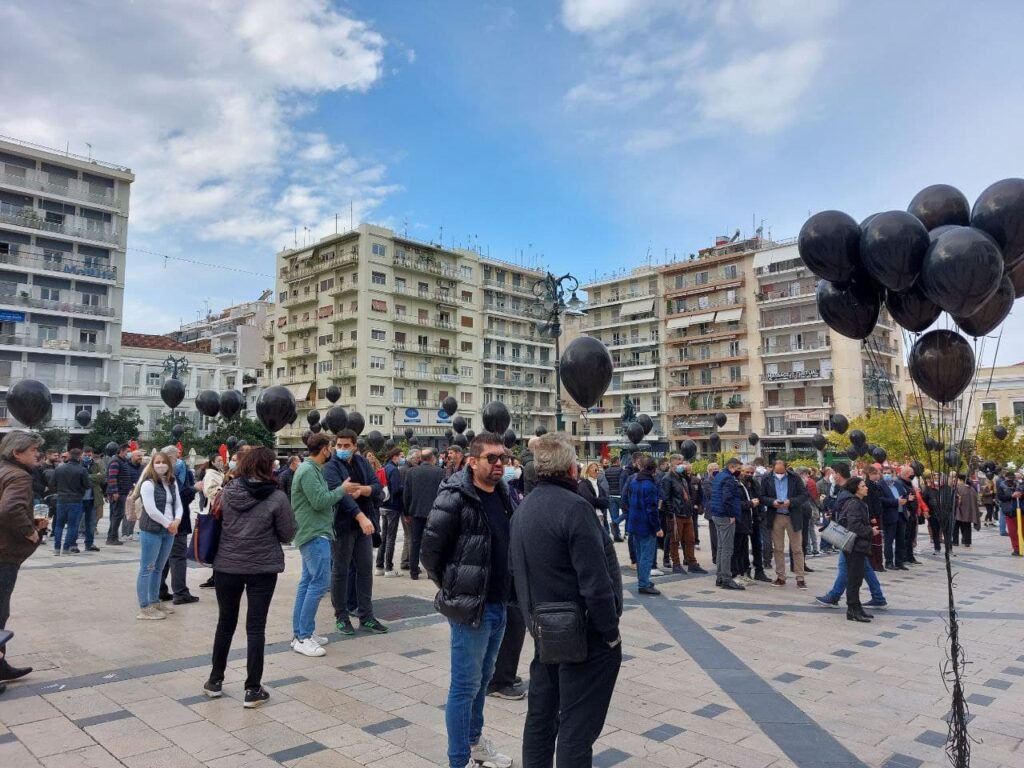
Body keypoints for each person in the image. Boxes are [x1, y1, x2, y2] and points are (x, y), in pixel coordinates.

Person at [511, 433, 622, 766]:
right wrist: (610, 632)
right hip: (584, 635)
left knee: (542, 718)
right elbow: (595, 583)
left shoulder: (523, 509)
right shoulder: (576, 509)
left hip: (545, 631)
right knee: (577, 728)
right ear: (572, 469)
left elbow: (514, 573)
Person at [421, 433, 515, 768]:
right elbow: (430, 553)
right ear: (472, 461)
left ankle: (474, 743)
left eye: (502, 457)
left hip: (499, 603)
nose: (499, 463)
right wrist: (454, 588)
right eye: (491, 458)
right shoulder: (455, 496)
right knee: (464, 686)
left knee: (484, 679)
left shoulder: (504, 493)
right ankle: (458, 760)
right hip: (471, 608)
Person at [204, 447, 297, 708]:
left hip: (227, 567)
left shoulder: (227, 492)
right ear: (267, 467)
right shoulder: (277, 497)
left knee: (225, 623)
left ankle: (215, 680)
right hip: (262, 569)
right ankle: (253, 689)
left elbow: (219, 521)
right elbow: (287, 534)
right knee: (255, 628)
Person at [290, 433, 354, 656]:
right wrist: (341, 490)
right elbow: (319, 501)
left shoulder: (311, 469)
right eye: (331, 447)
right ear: (324, 449)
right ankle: (303, 636)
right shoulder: (308, 470)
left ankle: (301, 632)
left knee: (308, 582)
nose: (333, 450)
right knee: (318, 583)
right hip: (314, 533)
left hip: (314, 532)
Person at [323, 430, 386, 636]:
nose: (341, 449)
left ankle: (366, 616)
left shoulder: (361, 462)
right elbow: (342, 496)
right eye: (338, 446)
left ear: (354, 446)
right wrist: (360, 516)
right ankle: (341, 616)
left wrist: (363, 490)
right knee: (340, 571)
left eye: (345, 446)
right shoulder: (331, 467)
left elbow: (377, 486)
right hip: (343, 525)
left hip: (364, 526)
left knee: (365, 569)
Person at [0, 431, 46, 695]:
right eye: (32, 451)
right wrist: (30, 531)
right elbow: (9, 510)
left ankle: (1, 664)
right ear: (17, 453)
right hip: (4, 553)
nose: (36, 455)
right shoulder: (18, 475)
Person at [136, 451, 183, 621]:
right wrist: (168, 524)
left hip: (169, 530)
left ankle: (155, 601)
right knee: (146, 569)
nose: (161, 465)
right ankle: (144, 607)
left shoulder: (171, 482)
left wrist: (177, 520)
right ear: (152, 464)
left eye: (164, 462)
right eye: (158, 462)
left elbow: (178, 503)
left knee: (159, 568)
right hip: (153, 530)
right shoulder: (148, 484)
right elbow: (151, 509)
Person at [759, 459, 809, 590]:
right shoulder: (766, 478)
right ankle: (781, 576)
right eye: (777, 469)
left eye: (782, 469)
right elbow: (762, 496)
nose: (779, 472)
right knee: (778, 548)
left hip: (792, 516)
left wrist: (791, 502)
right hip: (776, 516)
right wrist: (772, 502)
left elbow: (804, 495)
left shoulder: (795, 478)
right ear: (773, 467)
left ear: (786, 468)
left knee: (797, 548)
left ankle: (800, 578)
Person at [159, 445, 199, 605]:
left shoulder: (161, 476)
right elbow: (178, 500)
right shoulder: (170, 477)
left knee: (166, 558)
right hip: (176, 523)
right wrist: (193, 489)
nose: (179, 460)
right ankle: (180, 593)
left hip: (166, 522)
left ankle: (160, 590)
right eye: (176, 457)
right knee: (177, 557)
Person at [834, 477, 875, 622]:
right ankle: (852, 609)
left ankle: (857, 607)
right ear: (856, 489)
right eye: (863, 486)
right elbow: (854, 526)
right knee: (853, 578)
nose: (866, 488)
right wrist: (870, 531)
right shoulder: (854, 504)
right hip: (854, 546)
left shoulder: (859, 503)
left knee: (857, 578)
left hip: (858, 546)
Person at [403, 448, 444, 580]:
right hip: (434, 512)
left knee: (415, 542)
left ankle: (414, 571)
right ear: (432, 458)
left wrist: (406, 512)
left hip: (416, 512)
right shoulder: (439, 472)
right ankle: (431, 571)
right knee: (432, 542)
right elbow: (443, 493)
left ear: (421, 458)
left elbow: (406, 494)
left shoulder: (411, 472)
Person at [660, 454, 704, 575]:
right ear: (672, 464)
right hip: (676, 514)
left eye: (682, 463)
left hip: (687, 513)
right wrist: (671, 512)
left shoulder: (682, 477)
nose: (682, 465)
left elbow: (688, 492)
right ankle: (676, 564)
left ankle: (692, 563)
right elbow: (666, 497)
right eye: (679, 463)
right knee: (674, 540)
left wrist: (686, 474)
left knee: (690, 540)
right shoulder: (667, 478)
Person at [627, 457, 663, 596]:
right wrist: (657, 527)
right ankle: (644, 584)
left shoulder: (634, 481)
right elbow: (652, 510)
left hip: (634, 523)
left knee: (640, 554)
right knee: (646, 556)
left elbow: (628, 500)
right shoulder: (650, 485)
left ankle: (643, 580)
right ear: (654, 470)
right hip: (646, 525)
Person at [710, 458, 745, 591]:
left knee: (720, 547)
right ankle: (726, 578)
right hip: (725, 516)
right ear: (731, 466)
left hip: (717, 514)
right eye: (738, 469)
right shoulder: (729, 479)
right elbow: (728, 498)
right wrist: (731, 515)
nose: (739, 472)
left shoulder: (719, 476)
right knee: (727, 549)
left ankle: (720, 577)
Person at [52, 448, 90, 556]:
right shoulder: (82, 470)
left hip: (61, 499)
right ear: (79, 456)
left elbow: (52, 483)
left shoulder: (60, 469)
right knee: (72, 526)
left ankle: (56, 548)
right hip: (76, 499)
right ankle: (66, 548)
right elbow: (87, 485)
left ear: (69, 455)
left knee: (59, 525)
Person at [376, 448, 404, 577]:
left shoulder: (384, 468)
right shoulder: (393, 470)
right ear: (394, 457)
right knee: (391, 538)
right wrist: (405, 487)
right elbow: (397, 489)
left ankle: (379, 566)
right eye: (401, 456)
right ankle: (389, 568)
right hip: (393, 506)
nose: (402, 459)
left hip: (383, 505)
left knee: (384, 536)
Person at [105, 444, 134, 545]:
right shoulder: (116, 462)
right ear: (121, 451)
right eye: (127, 451)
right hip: (118, 493)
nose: (128, 453)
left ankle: (112, 537)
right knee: (117, 515)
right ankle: (112, 538)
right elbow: (112, 477)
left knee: (116, 515)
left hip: (122, 492)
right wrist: (115, 492)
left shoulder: (122, 461)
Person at [76, 445, 104, 552]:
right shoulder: (78, 464)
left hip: (93, 498)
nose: (87, 457)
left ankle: (89, 543)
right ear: (81, 455)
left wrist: (87, 478)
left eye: (89, 455)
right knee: (77, 522)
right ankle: (73, 544)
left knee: (91, 522)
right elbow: (77, 478)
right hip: (80, 498)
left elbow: (102, 477)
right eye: (85, 455)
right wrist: (94, 477)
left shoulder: (96, 465)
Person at [996, 471, 1022, 555]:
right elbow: (1000, 497)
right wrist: (1011, 496)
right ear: (1005, 477)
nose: (1011, 479)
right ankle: (1016, 549)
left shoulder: (1019, 484)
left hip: (1021, 510)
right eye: (1009, 478)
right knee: (1012, 532)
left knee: (1021, 530)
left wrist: (1020, 493)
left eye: (1012, 477)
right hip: (1009, 511)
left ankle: (1021, 547)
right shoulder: (1001, 486)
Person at [953, 473, 980, 548]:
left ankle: (955, 542)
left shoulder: (958, 488)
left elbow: (955, 499)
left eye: (957, 480)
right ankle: (967, 542)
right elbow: (975, 500)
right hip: (968, 512)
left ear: (961, 480)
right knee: (967, 526)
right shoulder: (972, 489)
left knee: (956, 526)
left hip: (959, 511)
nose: (956, 481)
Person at [578, 462, 609, 527]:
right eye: (595, 470)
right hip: (589, 518)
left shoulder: (597, 484)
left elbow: (606, 502)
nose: (597, 472)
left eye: (598, 470)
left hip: (600, 516)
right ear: (587, 470)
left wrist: (598, 501)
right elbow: (590, 500)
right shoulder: (583, 484)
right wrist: (601, 501)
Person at [603, 455, 625, 541]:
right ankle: (616, 523)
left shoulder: (607, 471)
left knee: (614, 516)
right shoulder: (621, 470)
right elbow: (622, 482)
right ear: (617, 461)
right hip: (620, 495)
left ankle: (616, 535)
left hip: (611, 495)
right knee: (627, 512)